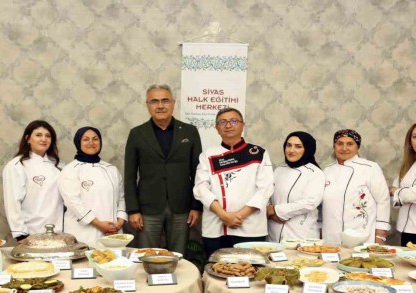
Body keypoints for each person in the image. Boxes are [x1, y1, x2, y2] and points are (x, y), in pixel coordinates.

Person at [123, 84, 203, 254]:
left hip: (182, 206)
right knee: (146, 255)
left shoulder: (189, 131)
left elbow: (198, 172)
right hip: (147, 208)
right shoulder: (137, 134)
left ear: (173, 103)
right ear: (147, 105)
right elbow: (129, 175)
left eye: (165, 100)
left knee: (178, 256)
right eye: (154, 101)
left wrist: (196, 206)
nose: (160, 106)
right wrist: (133, 210)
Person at [193, 108, 274, 258]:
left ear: (243, 125)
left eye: (234, 121)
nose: (228, 125)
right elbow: (200, 188)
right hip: (215, 228)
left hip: (250, 227)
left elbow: (265, 189)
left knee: (250, 269)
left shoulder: (259, 153)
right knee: (216, 268)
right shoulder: (207, 155)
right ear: (216, 128)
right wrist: (223, 215)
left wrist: (239, 216)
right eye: (222, 122)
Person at [58, 127, 127, 248]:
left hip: (113, 231)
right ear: (78, 143)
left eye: (95, 139)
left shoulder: (111, 169)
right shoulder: (70, 170)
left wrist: (120, 220)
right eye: (86, 139)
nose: (91, 142)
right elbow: (73, 202)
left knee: (113, 259)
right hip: (83, 233)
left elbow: (121, 197)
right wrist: (98, 224)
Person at [322, 129, 390, 245]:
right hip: (331, 234)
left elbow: (383, 200)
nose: (344, 148)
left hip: (361, 233)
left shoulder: (370, 168)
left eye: (350, 144)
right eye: (339, 143)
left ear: (357, 146)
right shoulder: (327, 170)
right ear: (334, 146)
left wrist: (380, 234)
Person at [3, 120, 64, 241]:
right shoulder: (16, 165)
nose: (44, 139)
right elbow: (12, 203)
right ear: (28, 139)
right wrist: (21, 235)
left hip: (59, 232)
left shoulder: (60, 165)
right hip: (31, 233)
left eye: (48, 136)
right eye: (38, 135)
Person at [266, 131, 324, 242]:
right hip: (274, 233)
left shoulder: (315, 173)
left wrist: (275, 210)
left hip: (301, 235)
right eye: (289, 145)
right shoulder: (279, 170)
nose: (291, 150)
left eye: (298, 146)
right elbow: (266, 194)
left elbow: (310, 202)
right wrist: (269, 212)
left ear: (307, 149)